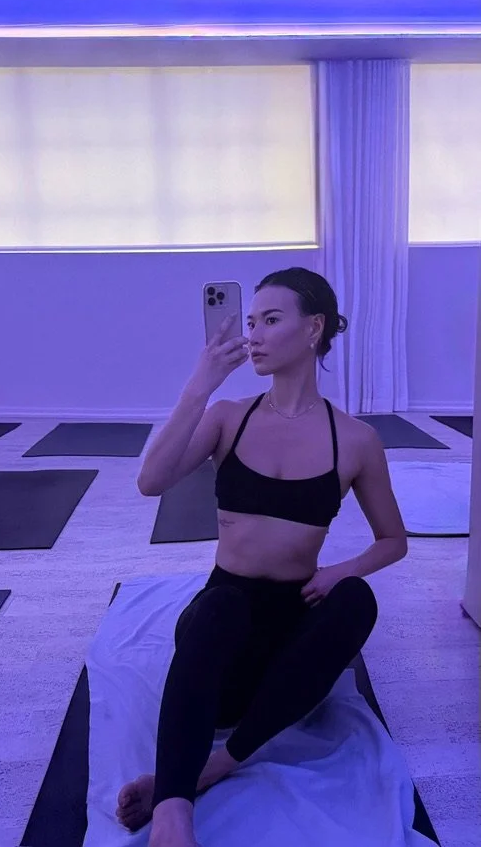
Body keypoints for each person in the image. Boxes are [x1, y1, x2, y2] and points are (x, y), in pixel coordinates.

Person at [116, 267, 408, 847]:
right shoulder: (229, 417)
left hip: (291, 648)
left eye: (271, 320)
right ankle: (173, 815)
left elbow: (392, 540)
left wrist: (341, 570)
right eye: (251, 321)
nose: (255, 334)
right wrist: (200, 385)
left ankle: (219, 764)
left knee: (358, 599)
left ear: (313, 329)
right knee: (221, 603)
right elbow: (151, 482)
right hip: (219, 630)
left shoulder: (354, 440)